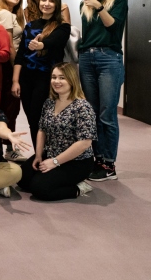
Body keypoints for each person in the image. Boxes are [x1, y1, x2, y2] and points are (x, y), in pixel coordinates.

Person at [18, 63, 97, 200]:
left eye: (62, 78)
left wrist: (55, 162)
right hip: (51, 152)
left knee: (40, 189)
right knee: (22, 179)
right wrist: (38, 156)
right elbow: (42, 130)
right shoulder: (50, 102)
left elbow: (84, 143)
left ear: (72, 80)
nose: (56, 81)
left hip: (77, 161)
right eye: (54, 77)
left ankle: (78, 188)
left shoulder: (82, 107)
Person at [79, 0, 127, 181]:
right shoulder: (84, 4)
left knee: (107, 114)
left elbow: (113, 28)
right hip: (87, 59)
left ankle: (109, 164)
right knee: (92, 112)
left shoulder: (119, 0)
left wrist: (99, 7)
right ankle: (96, 159)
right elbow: (88, 35)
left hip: (109, 58)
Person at [12, 0, 72, 152]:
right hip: (26, 78)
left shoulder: (62, 26)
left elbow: (55, 41)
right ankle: (39, 154)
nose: (46, 3)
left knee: (42, 119)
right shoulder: (30, 26)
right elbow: (21, 55)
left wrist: (41, 44)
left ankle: (49, 154)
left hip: (46, 79)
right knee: (32, 119)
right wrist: (15, 81)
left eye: (51, 0)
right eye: (44, 0)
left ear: (57, 3)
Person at [0, 0, 25, 158]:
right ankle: (9, 149)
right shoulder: (5, 14)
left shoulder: (9, 13)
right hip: (9, 66)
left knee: (7, 108)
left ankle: (6, 147)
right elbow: (10, 47)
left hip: (7, 66)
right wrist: (17, 74)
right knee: (10, 109)